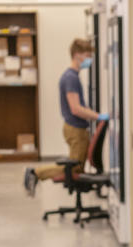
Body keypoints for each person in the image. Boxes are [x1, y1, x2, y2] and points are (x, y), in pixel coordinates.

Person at [24, 37, 108, 196]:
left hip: (76, 127)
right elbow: (76, 108)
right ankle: (35, 172)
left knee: (77, 167)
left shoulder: (72, 76)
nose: (89, 59)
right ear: (77, 55)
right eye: (87, 55)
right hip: (75, 128)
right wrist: (98, 116)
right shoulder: (71, 78)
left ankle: (36, 172)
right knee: (74, 168)